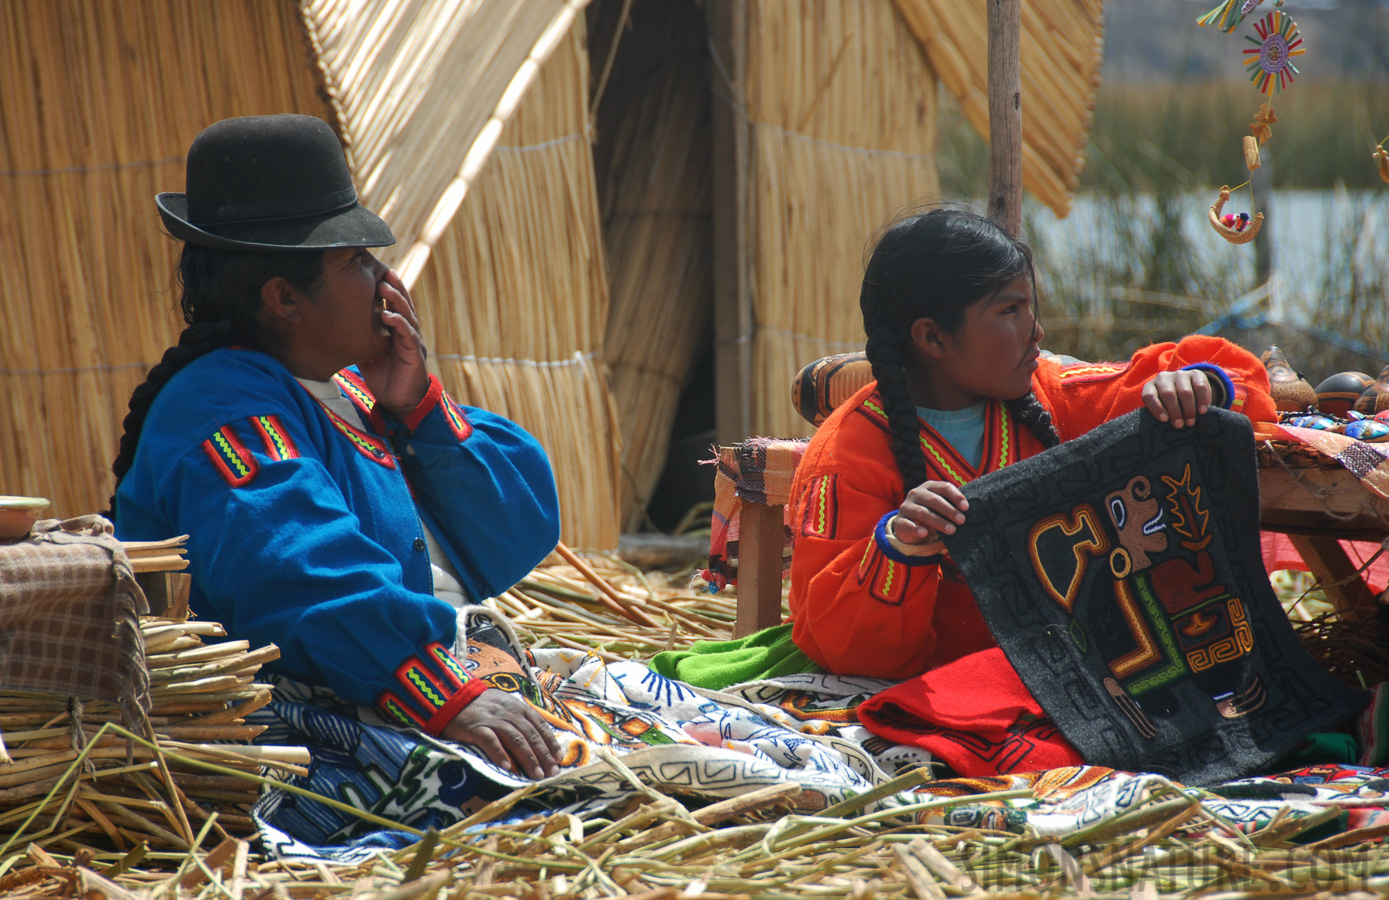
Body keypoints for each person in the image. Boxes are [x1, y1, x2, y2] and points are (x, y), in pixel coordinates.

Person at [111, 114, 563, 782]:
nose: (386, 282)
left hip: (429, 677)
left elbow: (515, 533)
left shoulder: (348, 389)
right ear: (284, 298)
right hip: (322, 714)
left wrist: (417, 408)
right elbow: (298, 570)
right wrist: (445, 696)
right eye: (356, 261)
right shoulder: (223, 409)